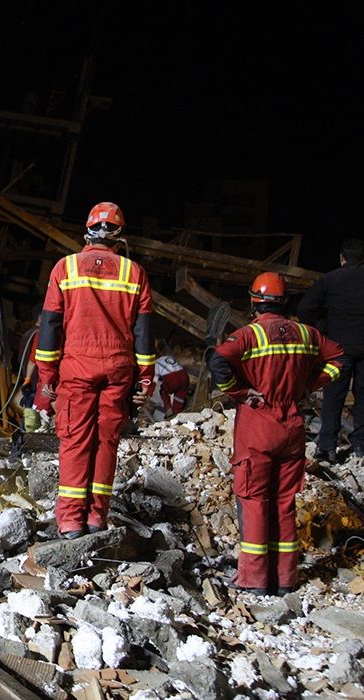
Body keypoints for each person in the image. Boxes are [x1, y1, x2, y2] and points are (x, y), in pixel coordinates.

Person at [208, 272, 345, 595]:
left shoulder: (249, 335)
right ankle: (285, 578)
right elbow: (339, 358)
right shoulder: (307, 335)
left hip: (258, 427)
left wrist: (240, 392)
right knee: (284, 502)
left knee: (254, 500)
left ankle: (254, 579)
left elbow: (218, 364)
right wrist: (311, 385)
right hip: (292, 427)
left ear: (254, 301)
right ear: (285, 303)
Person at [33, 202, 156, 539]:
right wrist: (146, 379)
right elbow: (143, 334)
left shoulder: (66, 267)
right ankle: (95, 519)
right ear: (119, 235)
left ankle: (71, 522)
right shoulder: (134, 273)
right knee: (106, 443)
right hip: (118, 371)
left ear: (87, 231)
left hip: (76, 369)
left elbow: (50, 327)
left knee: (75, 443)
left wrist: (47, 377)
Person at [296, 238, 364, 462]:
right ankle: (360, 447)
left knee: (334, 397)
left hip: (338, 349)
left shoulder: (330, 279)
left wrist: (320, 331)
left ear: (342, 258)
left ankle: (327, 447)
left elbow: (305, 308)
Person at [149, 354, 190, 420]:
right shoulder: (166, 357)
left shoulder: (155, 364)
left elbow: (154, 381)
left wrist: (149, 393)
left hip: (172, 377)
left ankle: (168, 411)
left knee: (163, 392)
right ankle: (177, 415)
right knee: (180, 396)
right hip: (184, 375)